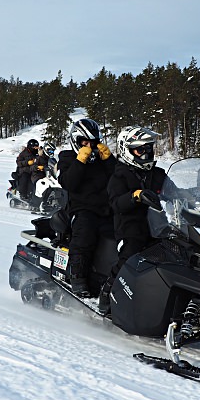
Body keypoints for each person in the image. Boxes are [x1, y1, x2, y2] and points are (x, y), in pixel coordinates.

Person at [104, 126, 167, 310]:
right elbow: (115, 203)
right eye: (141, 150)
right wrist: (134, 196)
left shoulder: (157, 174)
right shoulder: (119, 175)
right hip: (130, 227)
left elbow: (173, 191)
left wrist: (198, 195)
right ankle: (107, 295)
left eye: (149, 149)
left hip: (157, 227)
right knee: (129, 256)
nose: (146, 154)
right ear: (127, 150)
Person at [56, 118, 116, 297]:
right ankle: (78, 278)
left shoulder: (101, 160)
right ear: (76, 141)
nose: (89, 146)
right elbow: (68, 182)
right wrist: (80, 160)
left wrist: (109, 160)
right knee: (85, 235)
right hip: (82, 209)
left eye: (93, 142)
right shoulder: (67, 158)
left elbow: (118, 179)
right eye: (85, 142)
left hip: (107, 209)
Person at [15, 138, 48, 203]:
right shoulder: (24, 153)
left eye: (37, 146)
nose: (36, 148)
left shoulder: (38, 153)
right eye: (34, 147)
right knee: (25, 177)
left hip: (34, 170)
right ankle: (23, 194)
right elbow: (18, 162)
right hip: (24, 170)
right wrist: (27, 162)